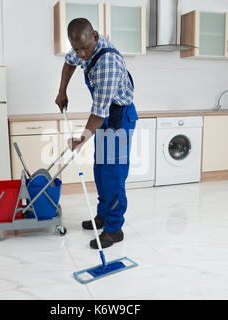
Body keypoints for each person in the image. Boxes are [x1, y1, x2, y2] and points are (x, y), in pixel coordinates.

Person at [55, 18, 138, 249]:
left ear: (95, 36)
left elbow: (99, 112)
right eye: (77, 48)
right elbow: (69, 62)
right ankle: (103, 215)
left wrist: (80, 140)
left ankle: (114, 229)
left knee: (113, 173)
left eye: (85, 48)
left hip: (119, 118)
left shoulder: (107, 63)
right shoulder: (81, 48)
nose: (81, 54)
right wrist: (62, 91)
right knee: (100, 169)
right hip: (105, 114)